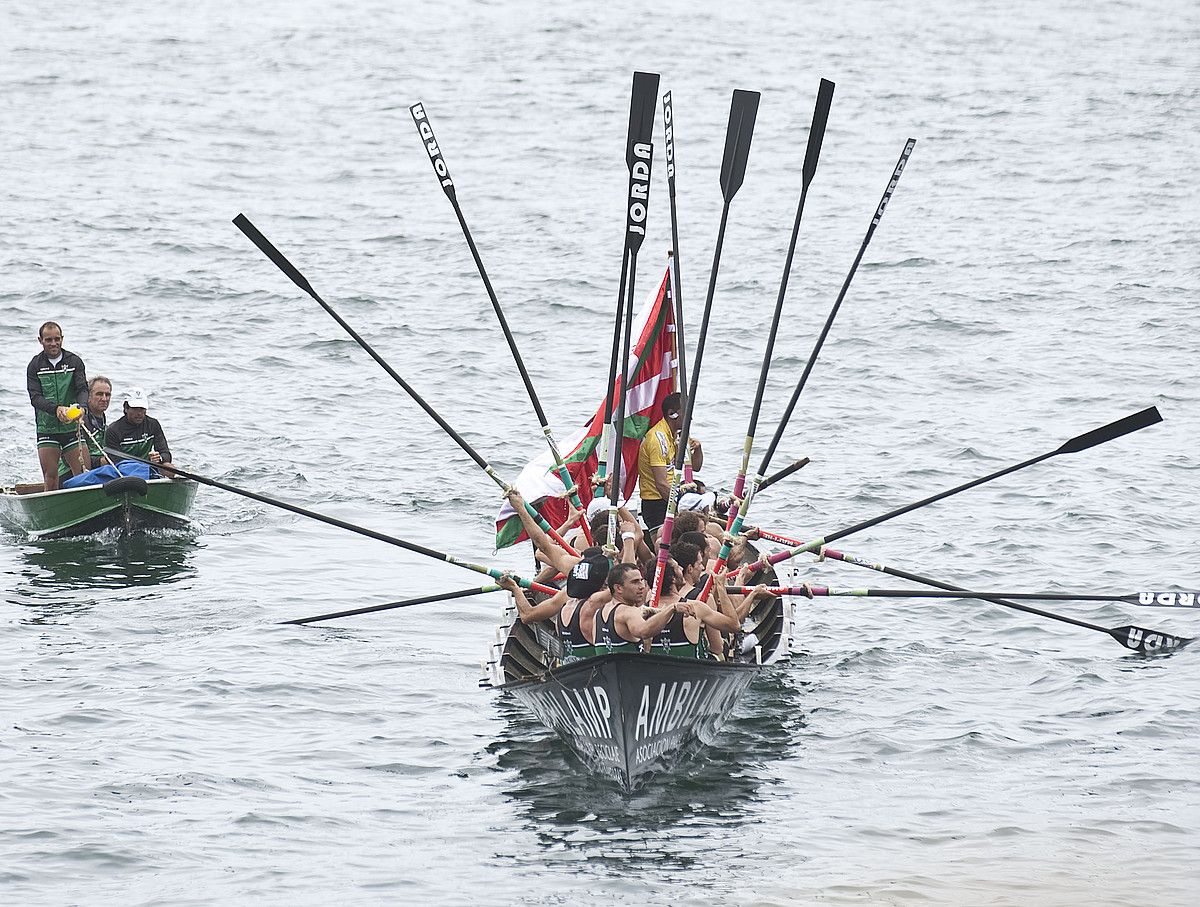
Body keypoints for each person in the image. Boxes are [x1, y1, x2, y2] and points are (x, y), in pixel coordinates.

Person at [26, 321, 89, 491]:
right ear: (40, 340)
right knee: (51, 477)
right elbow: (35, 397)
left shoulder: (75, 361)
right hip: (47, 428)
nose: (53, 343)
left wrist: (82, 407)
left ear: (62, 338)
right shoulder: (35, 365)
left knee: (84, 475)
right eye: (48, 340)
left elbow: (83, 389)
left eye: (57, 339)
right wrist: (56, 409)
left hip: (72, 428)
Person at [636, 392, 703, 530]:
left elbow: (695, 467)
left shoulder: (677, 435)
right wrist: (683, 505)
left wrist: (698, 450)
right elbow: (661, 484)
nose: (690, 416)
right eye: (686, 411)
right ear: (672, 413)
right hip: (656, 503)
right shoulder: (657, 439)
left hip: (672, 496)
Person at [594, 562, 679, 653]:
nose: (641, 586)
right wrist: (671, 609)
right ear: (618, 588)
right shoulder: (628, 611)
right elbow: (644, 632)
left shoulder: (598, 614)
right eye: (635, 582)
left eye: (641, 581)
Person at [57, 376, 113, 480]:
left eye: (107, 394)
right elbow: (68, 458)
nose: (104, 399)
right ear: (88, 396)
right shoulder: (79, 421)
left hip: (95, 470)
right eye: (99, 394)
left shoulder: (104, 423)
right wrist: (100, 462)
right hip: (69, 474)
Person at [106, 387, 173, 471]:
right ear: (126, 408)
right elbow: (115, 461)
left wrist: (159, 458)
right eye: (135, 409)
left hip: (148, 467)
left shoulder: (153, 424)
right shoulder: (113, 430)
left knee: (169, 467)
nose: (139, 413)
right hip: (125, 470)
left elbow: (166, 453)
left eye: (142, 408)